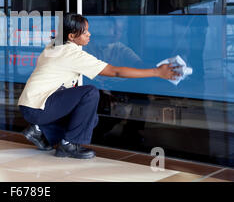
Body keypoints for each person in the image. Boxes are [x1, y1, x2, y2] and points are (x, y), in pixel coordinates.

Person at [18, 13, 180, 159]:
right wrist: (156, 72)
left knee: (90, 119)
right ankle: (68, 144)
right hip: (38, 108)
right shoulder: (72, 54)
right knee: (90, 93)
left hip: (33, 105)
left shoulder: (55, 45)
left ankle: (39, 130)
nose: (90, 35)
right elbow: (114, 71)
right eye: (85, 32)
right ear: (72, 36)